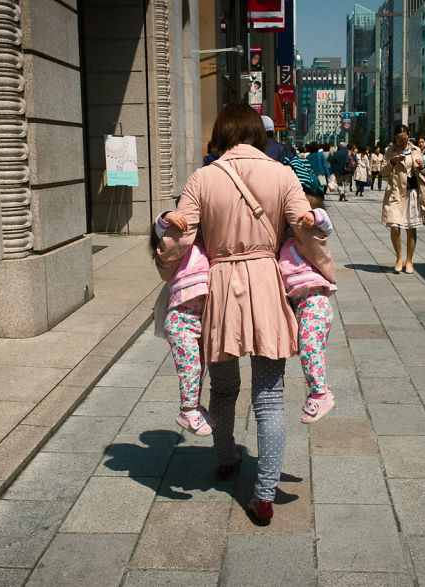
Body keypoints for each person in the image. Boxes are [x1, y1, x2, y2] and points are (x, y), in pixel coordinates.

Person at [155, 103, 336, 525]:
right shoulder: (282, 174)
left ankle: (224, 458)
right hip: (267, 283)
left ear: (220, 133)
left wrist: (166, 267)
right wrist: (321, 268)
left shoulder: (203, 177)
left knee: (222, 386)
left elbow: (181, 235)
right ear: (258, 133)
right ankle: (266, 493)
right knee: (270, 395)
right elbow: (304, 226)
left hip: (220, 287)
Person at [150, 211, 212, 436]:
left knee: (198, 367)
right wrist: (167, 217)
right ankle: (187, 410)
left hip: (196, 319)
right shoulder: (182, 246)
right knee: (191, 367)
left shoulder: (205, 244)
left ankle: (194, 405)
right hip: (180, 320)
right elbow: (160, 231)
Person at [278, 203, 337, 423]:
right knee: (311, 351)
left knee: (310, 350)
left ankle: (320, 394)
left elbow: (326, 225)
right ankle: (319, 391)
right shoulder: (283, 242)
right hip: (301, 305)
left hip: (314, 302)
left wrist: (314, 215)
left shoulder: (310, 237)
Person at [381, 124, 425, 274]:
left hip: (412, 192)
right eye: (399, 139)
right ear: (394, 138)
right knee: (394, 226)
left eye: (404, 138)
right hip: (395, 192)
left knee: (411, 228)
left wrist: (422, 167)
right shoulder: (389, 151)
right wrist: (392, 161)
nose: (402, 142)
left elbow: (421, 172)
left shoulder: (416, 150)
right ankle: (399, 257)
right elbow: (382, 172)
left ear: (409, 135)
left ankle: (409, 260)